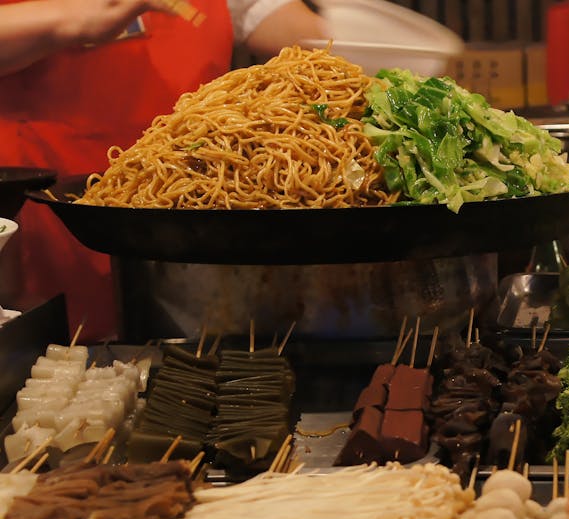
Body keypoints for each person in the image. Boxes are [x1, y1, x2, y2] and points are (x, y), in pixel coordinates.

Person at [0, 0, 329, 341]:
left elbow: (259, 10)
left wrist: (346, 35)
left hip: (194, 203)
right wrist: (68, 17)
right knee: (54, 361)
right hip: (52, 201)